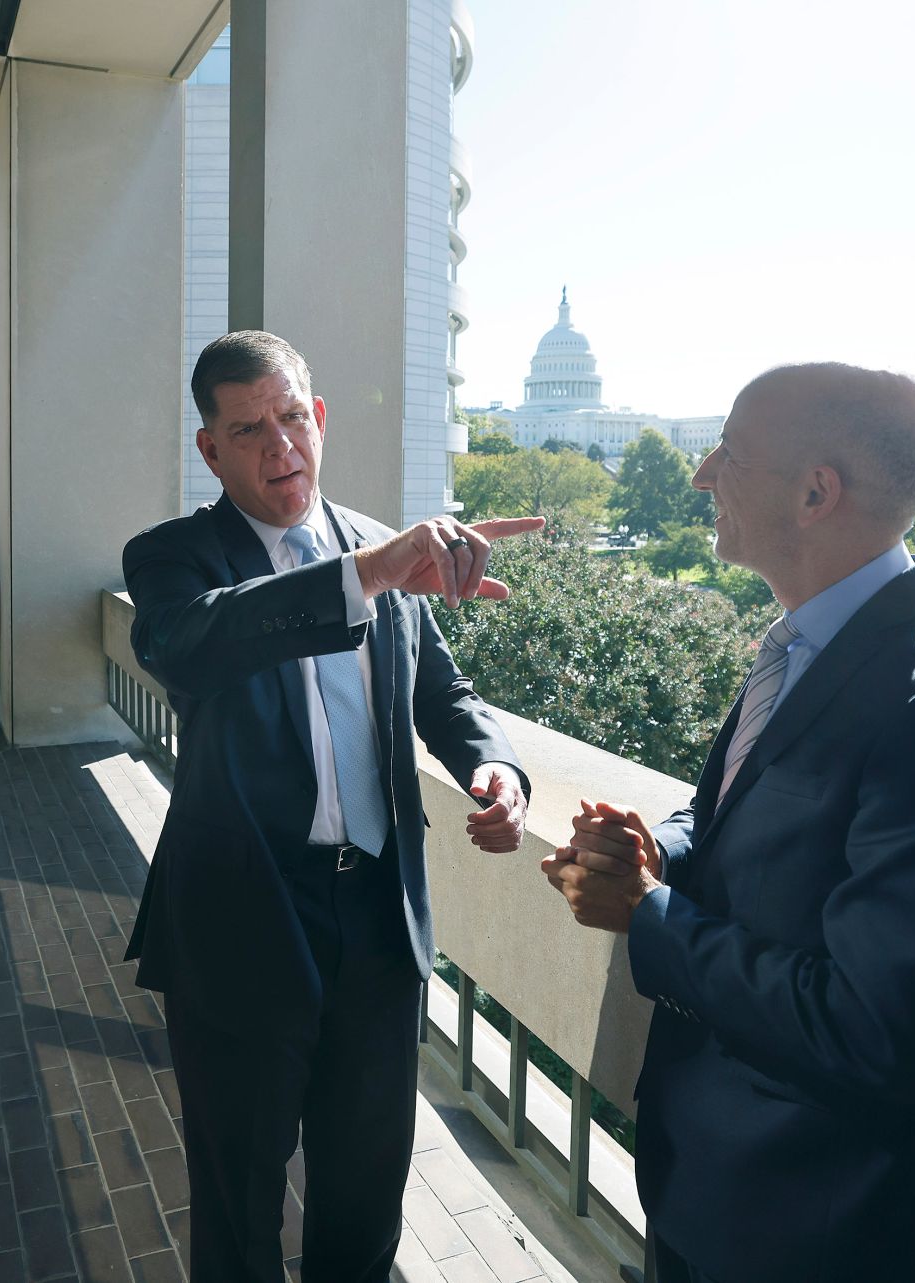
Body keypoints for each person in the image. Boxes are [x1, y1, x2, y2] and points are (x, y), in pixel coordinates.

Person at [543, 364, 915, 1283]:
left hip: (818, 1230)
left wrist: (649, 909)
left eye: (729, 453)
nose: (701, 476)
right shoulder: (808, 636)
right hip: (710, 1185)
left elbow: (875, 1034)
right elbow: (733, 813)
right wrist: (660, 847)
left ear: (817, 492)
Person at [123, 330, 541, 1280]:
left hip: (379, 923)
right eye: (247, 428)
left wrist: (501, 771)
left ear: (317, 419)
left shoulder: (374, 546)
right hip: (242, 922)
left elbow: (446, 696)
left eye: (289, 419)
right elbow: (192, 645)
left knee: (364, 1198)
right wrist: (369, 576)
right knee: (238, 1210)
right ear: (211, 449)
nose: (279, 448)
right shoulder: (175, 558)